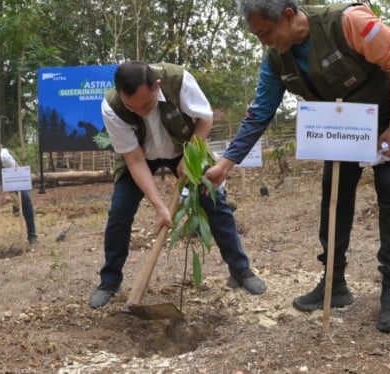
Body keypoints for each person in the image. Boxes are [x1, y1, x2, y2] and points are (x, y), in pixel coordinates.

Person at [205, 1, 390, 333]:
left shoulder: (348, 22)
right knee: (333, 199)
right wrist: (227, 163)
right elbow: (259, 111)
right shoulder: (276, 60)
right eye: (257, 35)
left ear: (289, 16)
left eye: (266, 32)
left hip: (389, 115)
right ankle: (333, 283)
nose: (263, 41)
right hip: (344, 126)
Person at [88, 61, 267, 309]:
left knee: (212, 199)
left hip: (185, 145)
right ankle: (109, 282)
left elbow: (205, 120)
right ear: (120, 95)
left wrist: (190, 153)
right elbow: (134, 158)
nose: (140, 112)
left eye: (147, 104)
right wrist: (161, 206)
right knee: (119, 212)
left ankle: (240, 271)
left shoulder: (179, 81)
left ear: (157, 87)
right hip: (141, 155)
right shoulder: (112, 107)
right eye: (132, 107)